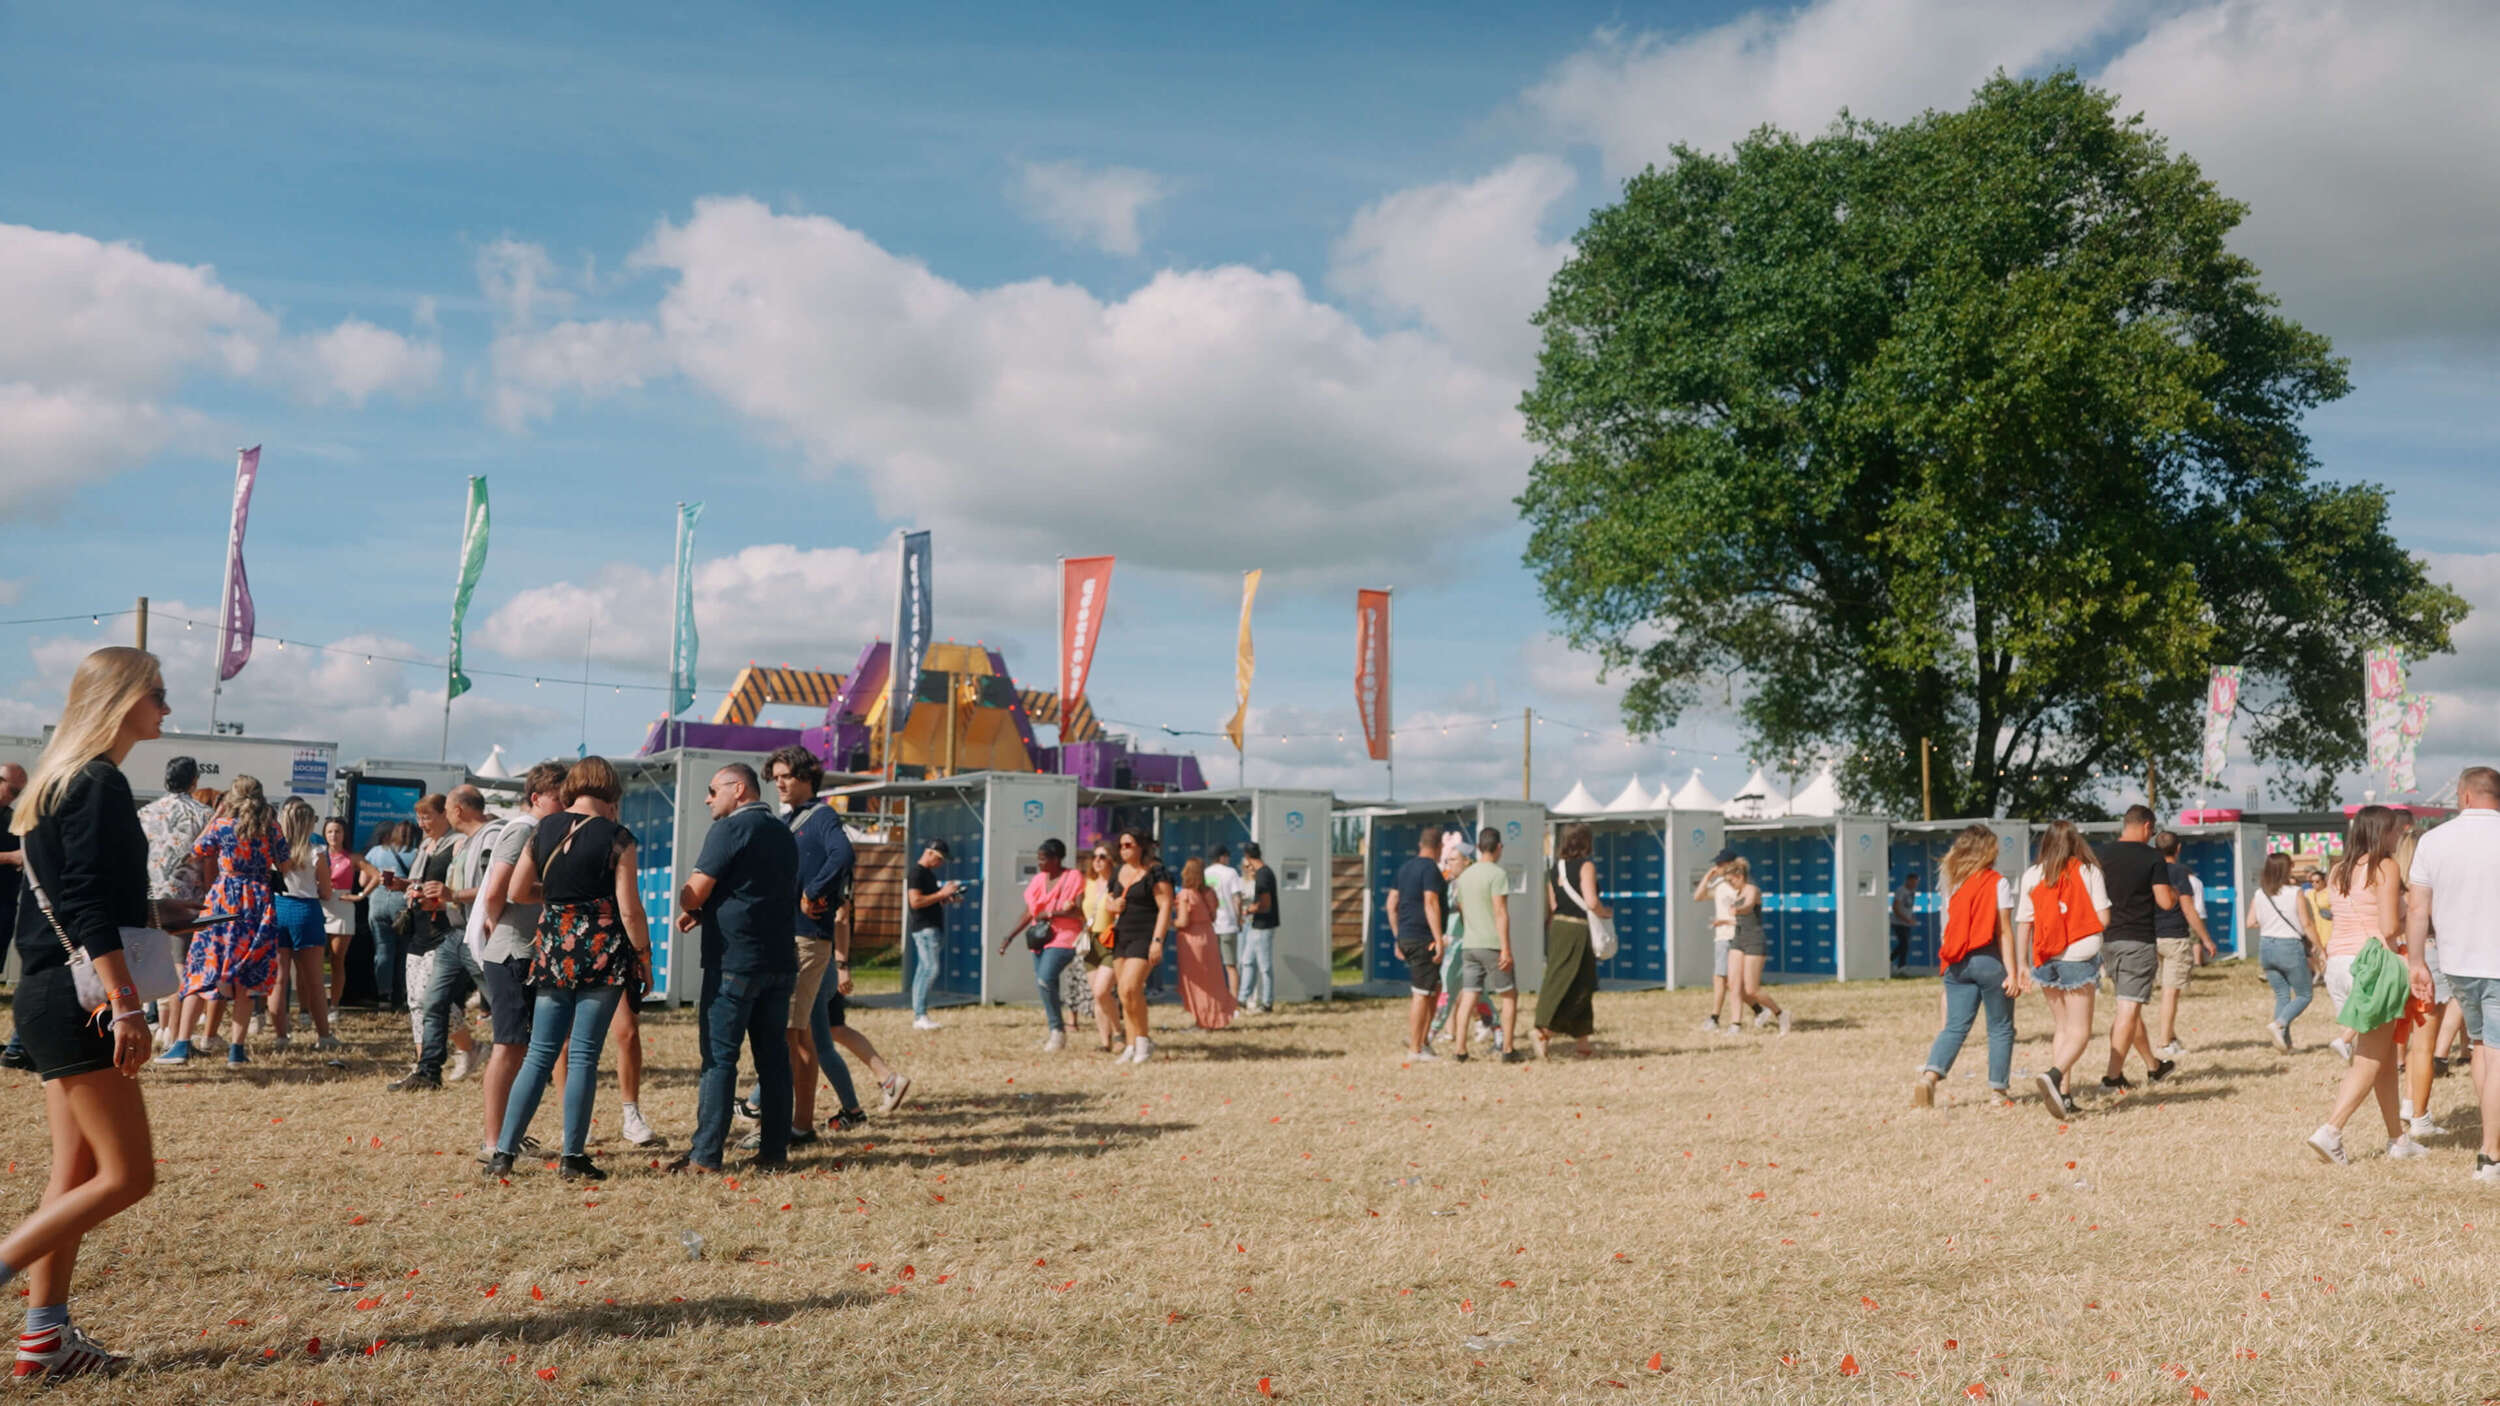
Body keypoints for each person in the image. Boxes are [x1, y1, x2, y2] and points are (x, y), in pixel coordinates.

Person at [1, 647, 169, 1378]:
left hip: (47, 991)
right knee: (127, 1176)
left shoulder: (57, 781)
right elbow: (88, 905)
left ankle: (44, 1339)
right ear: (122, 699)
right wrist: (126, 1005)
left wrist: (162, 913)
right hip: (81, 999)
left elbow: (79, 899)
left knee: (73, 1173)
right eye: (157, 693)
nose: (166, 707)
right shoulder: (98, 782)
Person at [488, 757, 650, 1181]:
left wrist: (560, 898)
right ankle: (572, 1157)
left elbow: (518, 890)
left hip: (554, 949)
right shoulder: (619, 838)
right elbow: (630, 910)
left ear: (572, 787)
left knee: (540, 1053)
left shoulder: (543, 830)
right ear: (611, 790)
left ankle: (503, 1152)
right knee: (583, 1056)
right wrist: (644, 957)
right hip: (601, 951)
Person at [671, 764, 799, 1174]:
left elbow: (695, 892)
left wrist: (688, 901)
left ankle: (705, 1156)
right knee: (773, 1059)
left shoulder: (729, 829)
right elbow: (756, 890)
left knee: (719, 1058)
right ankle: (774, 1152)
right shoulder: (783, 831)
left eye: (713, 790)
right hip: (779, 959)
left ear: (738, 789)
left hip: (734, 961)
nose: (707, 799)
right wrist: (707, 911)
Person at [2306, 805, 2426, 1164]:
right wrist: (2414, 918)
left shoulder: (2339, 869)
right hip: (2374, 965)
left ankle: (2397, 1139)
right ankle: (2331, 1130)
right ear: (2381, 832)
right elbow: (2388, 927)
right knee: (2370, 1058)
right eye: (2394, 830)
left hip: (2340, 965)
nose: (2398, 836)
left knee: (2383, 1058)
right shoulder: (2385, 867)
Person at [2405, 767, 2500, 1182]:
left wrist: (2416, 962)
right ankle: (2491, 1153)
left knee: (2481, 1047)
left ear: (2464, 796)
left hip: (2457, 962)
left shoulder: (2433, 840)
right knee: (2494, 1052)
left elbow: (2417, 909)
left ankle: (2491, 1140)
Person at [766, 745, 865, 1140]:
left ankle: (795, 1125)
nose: (779, 784)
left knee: (792, 1033)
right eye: (775, 778)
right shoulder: (788, 819)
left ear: (807, 777)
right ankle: (796, 1122)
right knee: (802, 1032)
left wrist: (814, 890)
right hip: (790, 935)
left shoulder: (821, 816)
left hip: (806, 938)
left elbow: (843, 854)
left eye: (786, 776)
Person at [470, 762, 566, 1161]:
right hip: (512, 952)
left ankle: (508, 1136)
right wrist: (496, 922)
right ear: (536, 798)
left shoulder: (537, 830)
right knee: (508, 1047)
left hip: (521, 951)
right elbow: (500, 889)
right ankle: (494, 1142)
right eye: (559, 798)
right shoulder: (524, 830)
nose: (565, 806)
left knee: (520, 1048)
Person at [160, 776, 284, 1068]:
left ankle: (182, 1044)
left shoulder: (222, 826)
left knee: (203, 968)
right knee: (246, 977)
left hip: (223, 900)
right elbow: (286, 864)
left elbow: (197, 851)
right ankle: (236, 1051)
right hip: (257, 902)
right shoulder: (271, 828)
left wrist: (215, 817)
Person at [1913, 825, 2024, 1106]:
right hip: (1988, 959)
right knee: (2000, 1027)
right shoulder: (1997, 882)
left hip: (1957, 963)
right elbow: (2004, 931)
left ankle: (1929, 1077)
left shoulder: (1953, 882)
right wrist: (2012, 973)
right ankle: (1998, 1092)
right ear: (1987, 850)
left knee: (1954, 1027)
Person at [389, 788, 489, 1091]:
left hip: (445, 930)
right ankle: (426, 1065)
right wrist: (403, 886)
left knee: (433, 999)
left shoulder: (458, 845)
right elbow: (421, 884)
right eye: (419, 817)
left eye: (427, 816)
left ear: (445, 814)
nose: (422, 823)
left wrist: (444, 899)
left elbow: (456, 888)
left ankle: (469, 1049)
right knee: (417, 1001)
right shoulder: (425, 846)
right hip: (418, 930)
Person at [2020, 820, 2110, 1118]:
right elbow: (2103, 918)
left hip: (2045, 956)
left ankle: (2064, 1095)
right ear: (2076, 842)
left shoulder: (2033, 874)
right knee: (2080, 1031)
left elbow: (2024, 923)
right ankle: (2054, 1074)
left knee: (2062, 1028)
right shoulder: (2088, 871)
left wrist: (2021, 964)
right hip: (2079, 957)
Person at [126, 757, 210, 1059]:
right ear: (194, 780)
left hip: (148, 898)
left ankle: (151, 1027)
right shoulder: (203, 814)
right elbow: (208, 860)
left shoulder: (145, 812)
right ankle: (175, 1036)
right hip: (185, 901)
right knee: (181, 967)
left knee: (144, 964)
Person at [2094, 805, 2180, 1091]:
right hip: (2138, 940)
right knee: (2128, 1009)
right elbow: (2164, 902)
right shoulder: (2152, 857)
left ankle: (2154, 1067)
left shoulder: (2101, 855)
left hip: (2109, 940)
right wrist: (2174, 894)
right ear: (2146, 826)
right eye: (2152, 831)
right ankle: (2112, 1077)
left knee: (2128, 1007)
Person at [264, 798, 344, 1061]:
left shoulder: (273, 852)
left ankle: (280, 1036)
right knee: (314, 980)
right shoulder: (317, 852)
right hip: (306, 912)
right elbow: (326, 891)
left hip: (279, 909)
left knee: (279, 979)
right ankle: (323, 1036)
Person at [998, 837, 1086, 1051]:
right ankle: (1056, 1032)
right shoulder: (1039, 880)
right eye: (1038, 859)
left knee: (1045, 979)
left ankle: (1057, 1031)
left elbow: (1079, 911)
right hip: (1041, 938)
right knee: (1045, 984)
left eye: (1043, 859)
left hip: (1065, 937)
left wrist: (1052, 913)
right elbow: (1030, 912)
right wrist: (1010, 937)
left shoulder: (1073, 877)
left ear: (1056, 859)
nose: (1039, 863)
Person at [1449, 828, 1526, 1063]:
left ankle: (1460, 1050)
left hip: (1469, 944)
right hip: (1492, 944)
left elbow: (1462, 910)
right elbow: (1500, 912)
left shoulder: (1464, 877)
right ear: (1499, 847)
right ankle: (1508, 1050)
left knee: (1468, 996)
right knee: (1509, 995)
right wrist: (1506, 949)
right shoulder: (1497, 874)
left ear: (1479, 847)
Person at [1538, 822, 1607, 1060]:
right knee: (1577, 983)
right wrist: (1606, 913)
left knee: (1567, 979)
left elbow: (1553, 905)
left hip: (1558, 927)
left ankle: (1582, 1042)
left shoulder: (1555, 868)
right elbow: (1591, 901)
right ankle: (1543, 1031)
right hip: (1577, 929)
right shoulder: (1586, 866)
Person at [1104, 829, 1172, 1063]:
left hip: (1146, 934)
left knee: (1131, 986)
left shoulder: (1155, 871)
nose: (1123, 849)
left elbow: (1165, 906)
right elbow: (1108, 900)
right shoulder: (1118, 872)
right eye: (1121, 845)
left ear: (1141, 846)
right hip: (1122, 934)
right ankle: (1131, 1044)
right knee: (1124, 993)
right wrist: (1113, 905)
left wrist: (1157, 941)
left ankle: (1143, 1041)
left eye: (1129, 844)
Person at [2149, 832, 2217, 1059]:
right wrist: (2206, 939)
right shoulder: (2179, 873)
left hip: (2151, 936)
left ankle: (2170, 1037)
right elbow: (2188, 909)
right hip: (2174, 937)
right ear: (2178, 849)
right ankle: (2164, 1043)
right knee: (2171, 993)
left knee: (2163, 991)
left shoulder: (2150, 871)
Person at [2247, 852, 2323, 1051]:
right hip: (2289, 947)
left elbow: (2251, 922)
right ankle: (2279, 1024)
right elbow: (2306, 923)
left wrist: (2270, 924)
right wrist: (2320, 946)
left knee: (2282, 995)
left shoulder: (2260, 893)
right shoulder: (2295, 892)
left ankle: (2285, 1044)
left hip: (2266, 947)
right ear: (2286, 869)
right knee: (2305, 994)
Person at [1384, 827, 1447, 1061]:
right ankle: (1415, 1049)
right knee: (1421, 993)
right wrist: (1438, 939)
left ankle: (1423, 1041)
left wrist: (1398, 936)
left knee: (1434, 988)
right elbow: (1431, 902)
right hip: (1423, 939)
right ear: (1439, 847)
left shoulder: (1405, 868)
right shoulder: (1430, 869)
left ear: (1420, 844)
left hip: (1407, 937)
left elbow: (1391, 904)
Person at [1171, 857, 1238, 1032]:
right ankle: (1215, 1017)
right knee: (1212, 980)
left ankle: (1202, 1021)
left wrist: (1169, 923)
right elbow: (1213, 916)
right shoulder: (1209, 892)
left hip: (1192, 940)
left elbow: (1183, 921)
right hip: (1209, 936)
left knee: (1197, 983)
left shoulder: (1186, 894)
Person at [318, 817, 375, 1010]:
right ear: (325, 834)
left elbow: (376, 876)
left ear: (344, 834)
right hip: (320, 906)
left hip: (342, 908)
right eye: (330, 831)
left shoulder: (353, 858)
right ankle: (314, 1004)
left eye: (338, 831)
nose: (334, 835)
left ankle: (334, 1005)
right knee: (315, 962)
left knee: (337, 960)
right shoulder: (318, 855)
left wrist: (360, 896)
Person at [905, 838, 961, 1031]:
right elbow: (915, 902)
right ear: (929, 853)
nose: (941, 863)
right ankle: (920, 1015)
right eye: (940, 859)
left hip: (931, 928)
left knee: (924, 970)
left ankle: (919, 1014)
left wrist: (946, 898)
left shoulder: (927, 874)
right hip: (925, 928)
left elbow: (929, 900)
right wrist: (942, 893)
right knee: (930, 969)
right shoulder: (916, 873)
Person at [1695, 850, 1750, 1032]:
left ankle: (1715, 1018)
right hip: (1721, 936)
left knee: (1724, 980)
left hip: (1733, 935)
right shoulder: (1719, 885)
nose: (1716, 867)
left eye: (1720, 864)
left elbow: (1743, 913)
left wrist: (1725, 921)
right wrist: (1708, 876)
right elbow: (1698, 896)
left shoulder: (1738, 886)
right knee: (1726, 981)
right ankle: (1760, 1009)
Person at [364, 820, 416, 1010]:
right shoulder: (416, 854)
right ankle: (400, 995)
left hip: (377, 902)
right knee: (403, 952)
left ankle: (383, 996)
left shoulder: (376, 851)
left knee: (383, 950)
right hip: (401, 903)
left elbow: (363, 880)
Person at [1081, 844, 1124, 1052]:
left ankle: (1118, 1034)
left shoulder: (1118, 884)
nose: (1097, 860)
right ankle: (1104, 1042)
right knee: (1097, 995)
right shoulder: (1088, 883)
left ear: (1111, 861)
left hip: (1110, 939)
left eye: (1102, 856)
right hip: (1090, 941)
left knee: (1102, 991)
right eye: (1094, 856)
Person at [0, 764, 28, 1071]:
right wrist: (10, 858)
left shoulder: (10, 817)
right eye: (13, 790)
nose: (15, 796)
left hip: (6, 902)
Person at [1241, 842, 1279, 1011]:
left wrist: (1247, 910)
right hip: (1256, 925)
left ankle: (1267, 1002)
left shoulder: (1263, 876)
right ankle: (1242, 998)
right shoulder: (1265, 872)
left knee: (1264, 966)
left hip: (1263, 926)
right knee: (1247, 961)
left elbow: (1264, 905)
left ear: (1247, 856)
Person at [1206, 844, 1245, 1001]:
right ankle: (1233, 1001)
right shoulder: (1231, 872)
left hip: (1211, 925)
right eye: (1227, 856)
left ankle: (1214, 998)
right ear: (1222, 857)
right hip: (1228, 924)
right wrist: (1239, 919)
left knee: (1212, 965)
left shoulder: (1205, 873)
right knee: (1231, 966)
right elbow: (1237, 899)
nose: (1228, 859)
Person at [1890, 869, 1920, 976]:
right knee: (1904, 944)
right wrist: (1906, 919)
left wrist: (1911, 918)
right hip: (1898, 923)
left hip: (1906, 923)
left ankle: (1897, 965)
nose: (1915, 885)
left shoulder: (1912, 892)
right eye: (1913, 882)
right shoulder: (1901, 891)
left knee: (1904, 945)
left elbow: (1909, 908)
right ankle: (1899, 966)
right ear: (1908, 881)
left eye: (1916, 883)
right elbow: (1895, 907)